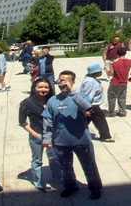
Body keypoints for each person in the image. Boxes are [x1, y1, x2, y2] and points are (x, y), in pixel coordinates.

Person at [43, 70, 103, 199]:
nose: (61, 83)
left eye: (65, 80)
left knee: (89, 166)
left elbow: (88, 108)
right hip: (60, 142)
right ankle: (70, 186)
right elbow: (48, 121)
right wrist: (47, 138)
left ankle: (95, 188)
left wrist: (72, 93)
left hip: (81, 141)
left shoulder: (80, 97)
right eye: (60, 80)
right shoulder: (52, 100)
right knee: (65, 167)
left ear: (73, 81)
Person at [19, 78, 59, 192]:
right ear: (34, 88)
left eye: (46, 87)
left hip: (52, 135)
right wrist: (35, 134)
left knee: (54, 158)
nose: (43, 89)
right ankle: (38, 182)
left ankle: (58, 179)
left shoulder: (53, 100)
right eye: (40, 87)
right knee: (37, 160)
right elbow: (22, 122)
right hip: (37, 135)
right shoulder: (27, 103)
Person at [77, 63, 113, 142]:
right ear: (95, 72)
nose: (101, 72)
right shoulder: (90, 82)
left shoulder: (91, 80)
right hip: (92, 106)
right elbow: (87, 95)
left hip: (91, 105)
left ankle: (75, 133)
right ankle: (106, 136)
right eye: (100, 71)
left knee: (84, 121)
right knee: (100, 120)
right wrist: (87, 108)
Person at [106, 47, 131, 117]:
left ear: (117, 54)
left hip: (115, 82)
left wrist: (107, 69)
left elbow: (111, 74)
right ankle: (122, 112)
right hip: (124, 83)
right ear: (125, 53)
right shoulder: (130, 62)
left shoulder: (114, 63)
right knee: (122, 98)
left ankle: (111, 112)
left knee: (112, 98)